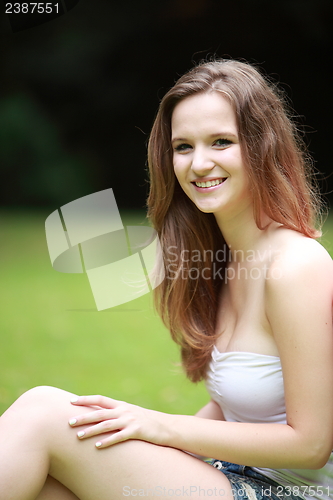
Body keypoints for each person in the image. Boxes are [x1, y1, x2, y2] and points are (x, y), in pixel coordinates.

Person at [1, 59, 332, 500]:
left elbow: (311, 445)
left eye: (221, 142)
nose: (199, 164)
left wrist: (160, 426)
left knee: (44, 414)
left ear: (261, 145)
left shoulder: (295, 266)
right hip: (237, 474)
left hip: (291, 494)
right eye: (183, 147)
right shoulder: (225, 259)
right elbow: (236, 406)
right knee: (49, 483)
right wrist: (143, 435)